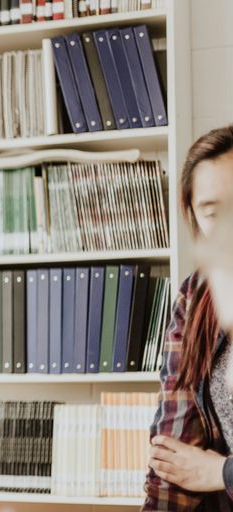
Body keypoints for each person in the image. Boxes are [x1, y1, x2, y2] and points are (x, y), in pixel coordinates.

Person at [144, 125, 233, 510]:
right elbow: (174, 454)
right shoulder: (197, 296)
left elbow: (205, 471)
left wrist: (222, 473)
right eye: (214, 213)